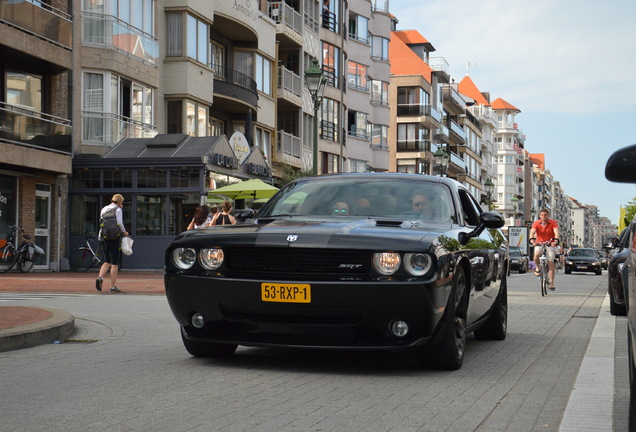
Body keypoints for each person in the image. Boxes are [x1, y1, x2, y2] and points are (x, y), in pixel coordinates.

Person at [96, 194, 130, 293]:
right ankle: (112, 286)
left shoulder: (104, 209)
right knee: (115, 263)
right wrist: (124, 232)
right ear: (120, 202)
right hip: (114, 238)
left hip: (103, 237)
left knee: (106, 261)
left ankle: (100, 278)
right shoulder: (118, 210)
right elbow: (119, 223)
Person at [530, 208, 560, 291]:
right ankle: (538, 268)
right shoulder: (536, 223)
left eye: (545, 215)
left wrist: (556, 240)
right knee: (536, 255)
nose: (544, 216)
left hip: (550, 243)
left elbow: (556, 232)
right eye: (542, 215)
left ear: (548, 215)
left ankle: (552, 283)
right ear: (540, 216)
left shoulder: (553, 223)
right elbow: (532, 232)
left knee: (550, 262)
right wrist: (532, 240)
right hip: (539, 243)